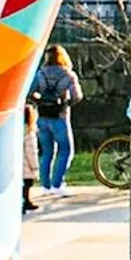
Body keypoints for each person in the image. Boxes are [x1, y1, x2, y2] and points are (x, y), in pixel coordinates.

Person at [29, 45, 81, 196]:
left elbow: (30, 92)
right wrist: (66, 102)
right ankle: (57, 184)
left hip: (42, 117)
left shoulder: (40, 73)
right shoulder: (69, 75)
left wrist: (40, 101)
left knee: (46, 152)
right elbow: (77, 96)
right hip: (60, 117)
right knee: (66, 151)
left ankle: (45, 186)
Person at [21, 102, 40, 212]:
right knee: (27, 184)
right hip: (27, 165)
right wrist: (35, 166)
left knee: (22, 185)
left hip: (19, 164)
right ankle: (26, 201)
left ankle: (25, 201)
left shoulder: (17, 131)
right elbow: (31, 151)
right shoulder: (29, 132)